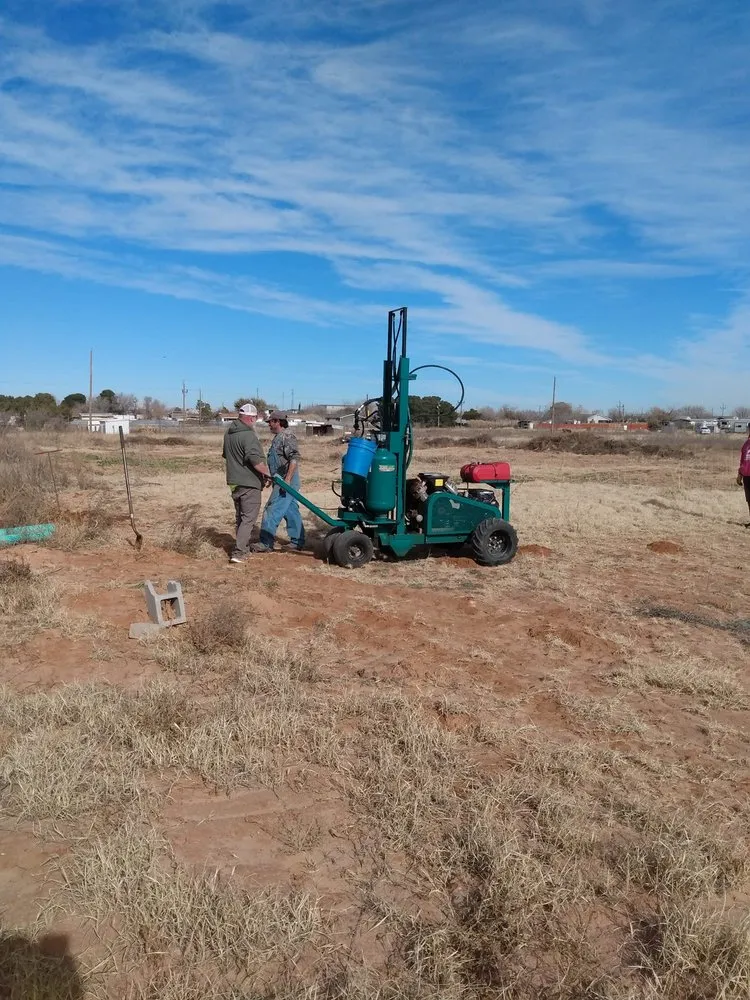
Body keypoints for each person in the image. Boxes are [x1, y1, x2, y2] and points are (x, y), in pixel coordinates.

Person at [222, 402, 270, 563]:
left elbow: (227, 456)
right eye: (255, 418)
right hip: (249, 483)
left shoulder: (229, 433)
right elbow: (255, 461)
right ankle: (239, 552)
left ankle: (241, 544)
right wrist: (269, 474)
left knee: (241, 518)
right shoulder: (248, 435)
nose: (255, 421)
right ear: (250, 418)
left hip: (234, 482)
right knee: (248, 518)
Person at [251, 411, 305, 552]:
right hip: (281, 480)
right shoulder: (278, 438)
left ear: (278, 422)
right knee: (290, 510)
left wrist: (286, 481)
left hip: (287, 481)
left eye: (271, 422)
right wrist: (271, 477)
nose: (269, 424)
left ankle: (266, 543)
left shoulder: (287, 437)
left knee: (272, 508)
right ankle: (297, 541)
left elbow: (294, 459)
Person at [737, 423, 750, 525]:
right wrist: (739, 474)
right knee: (749, 500)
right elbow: (742, 461)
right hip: (746, 475)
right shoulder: (746, 444)